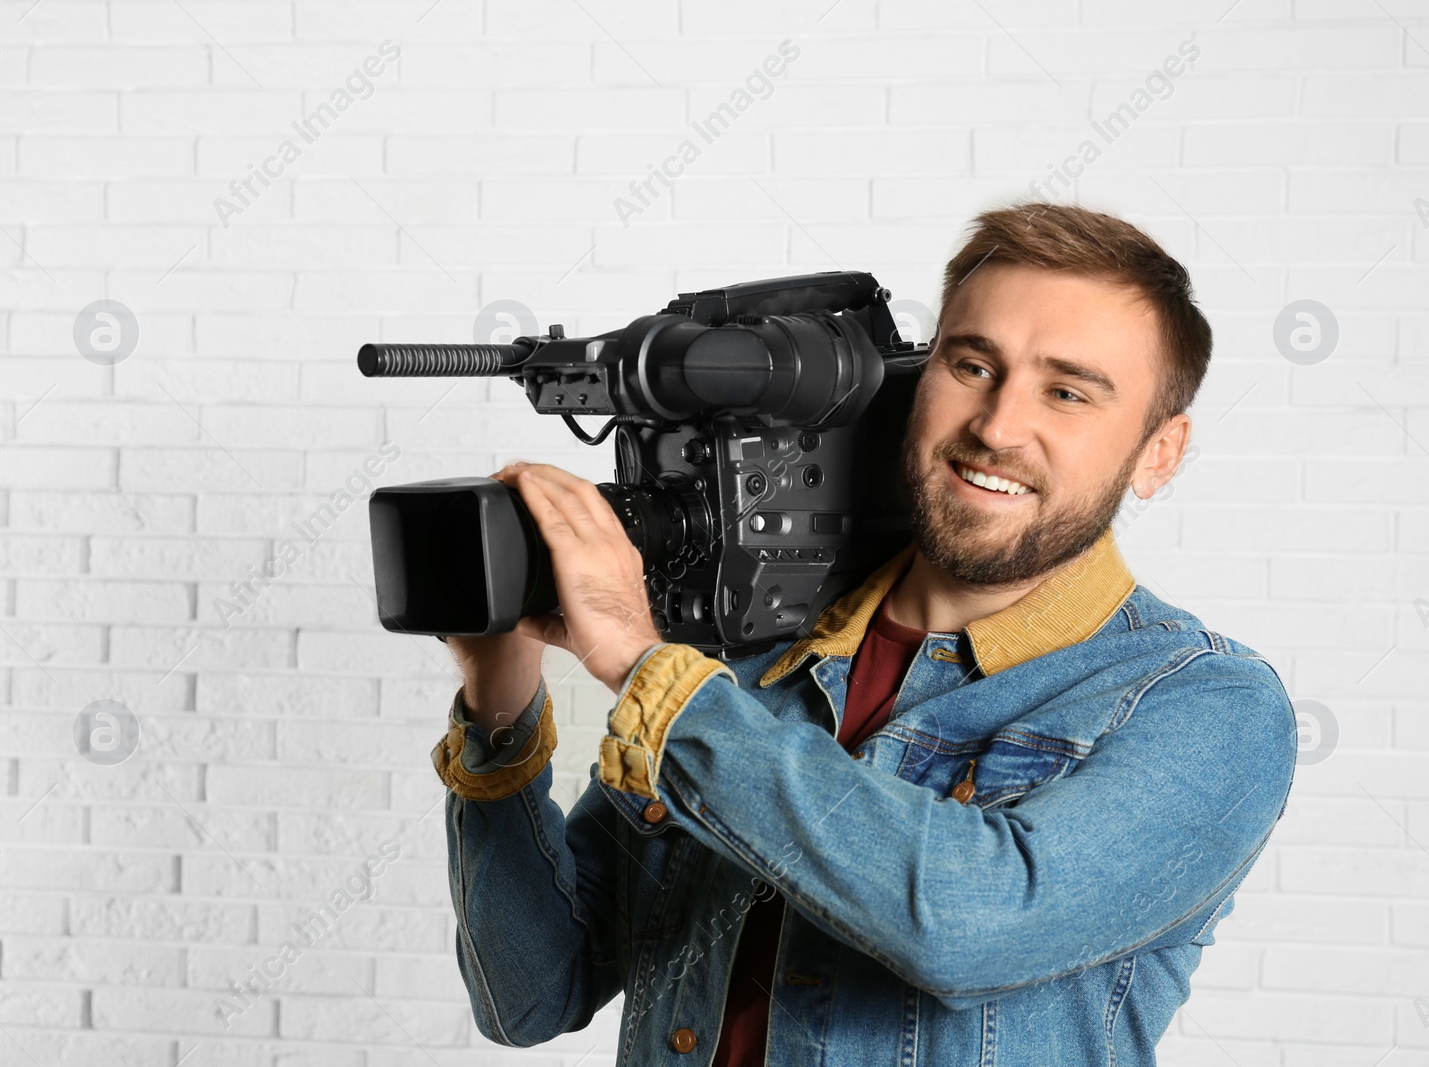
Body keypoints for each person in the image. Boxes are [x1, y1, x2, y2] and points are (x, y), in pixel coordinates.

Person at [432, 202, 1298, 1065]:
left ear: (1160, 452)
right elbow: (531, 995)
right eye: (972, 365)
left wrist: (638, 660)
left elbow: (964, 928)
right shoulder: (756, 654)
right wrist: (500, 696)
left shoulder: (1206, 706)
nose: (996, 428)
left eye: (1066, 392)